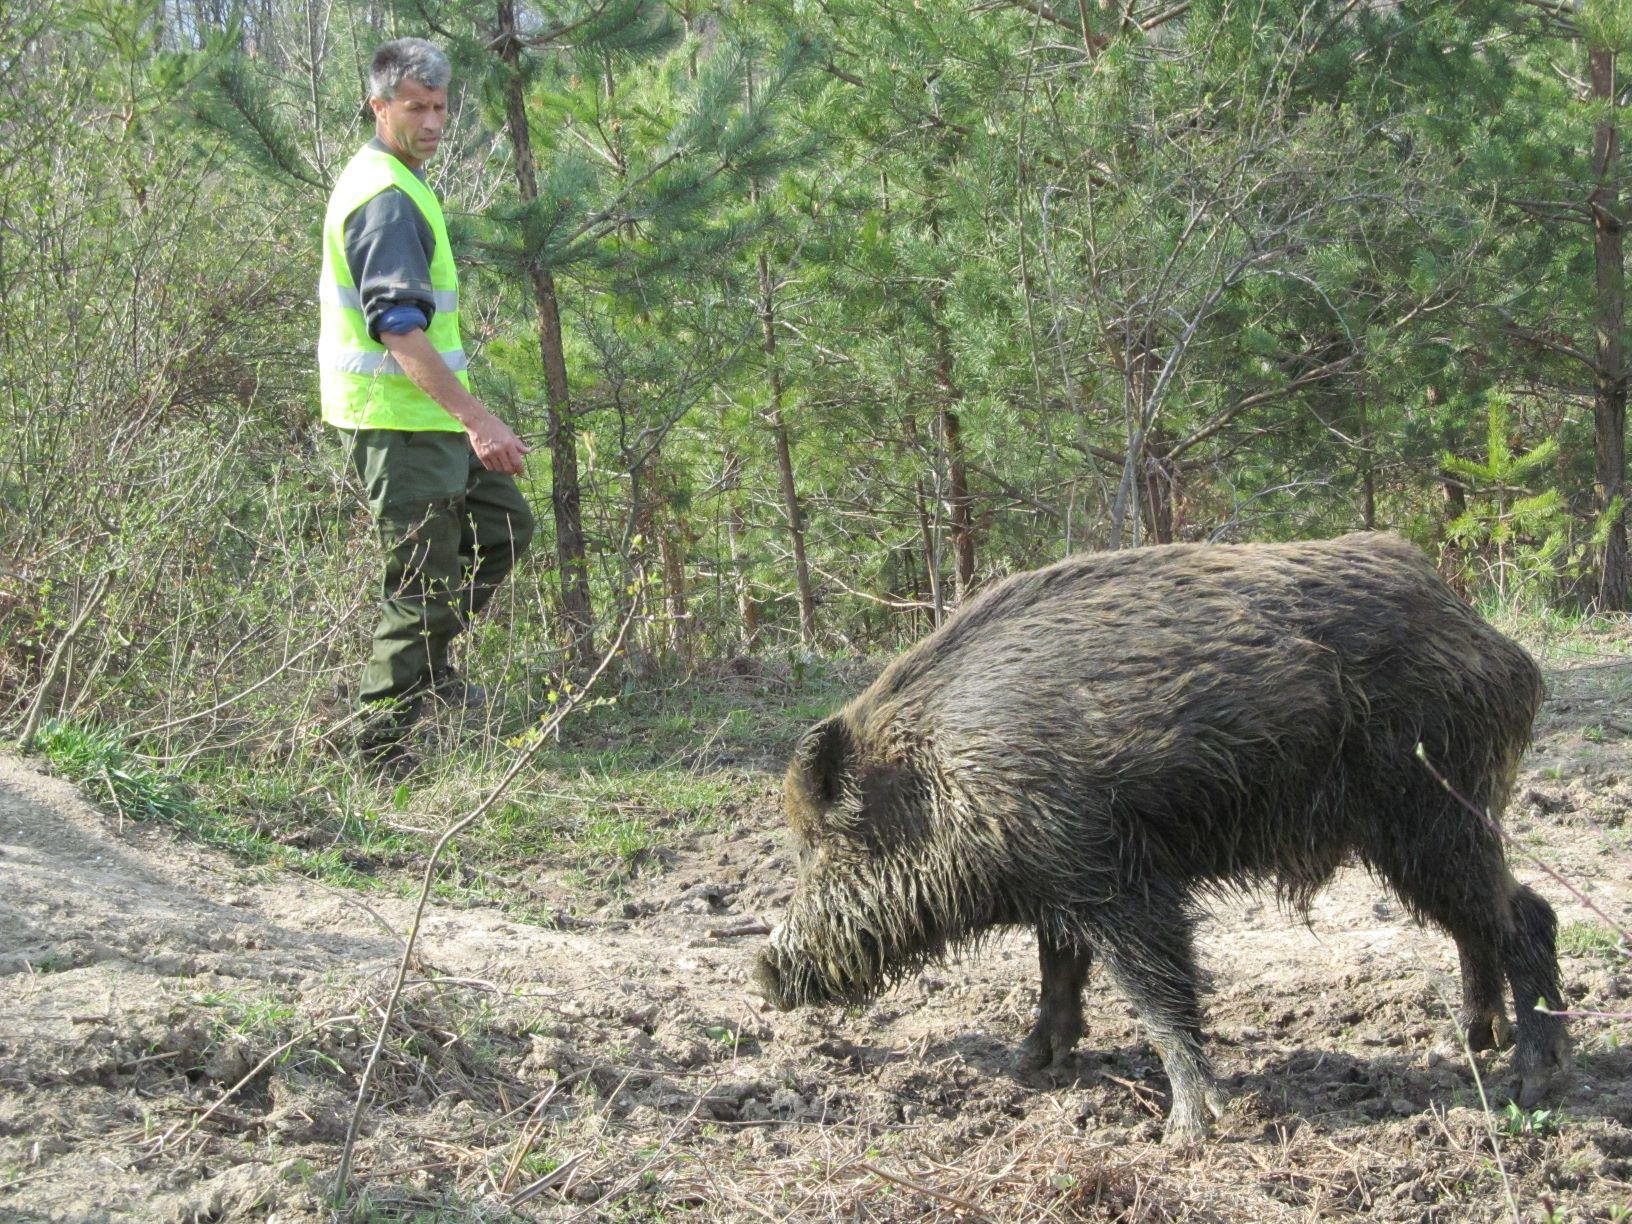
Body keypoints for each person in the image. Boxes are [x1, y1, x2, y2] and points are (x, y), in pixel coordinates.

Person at [318, 37, 534, 778]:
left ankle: (430, 669)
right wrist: (480, 418)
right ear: (379, 107)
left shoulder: (402, 181)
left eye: (441, 107)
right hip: (399, 422)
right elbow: (398, 327)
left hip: (427, 420)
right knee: (418, 589)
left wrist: (464, 419)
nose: (434, 121)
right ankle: (376, 754)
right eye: (416, 107)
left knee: (505, 528)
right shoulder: (384, 198)